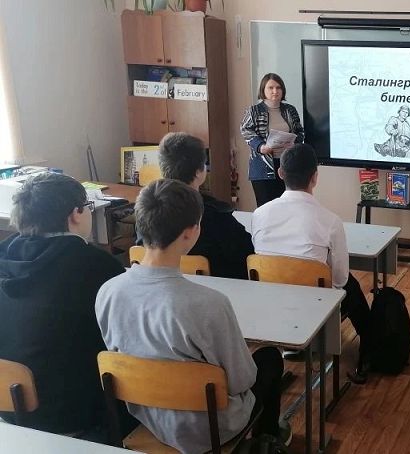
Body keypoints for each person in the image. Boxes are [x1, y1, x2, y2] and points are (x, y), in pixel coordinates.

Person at [96, 179, 288, 453]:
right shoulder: (210, 304)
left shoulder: (108, 291)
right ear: (190, 232)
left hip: (148, 416)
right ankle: (265, 441)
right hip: (209, 428)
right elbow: (243, 380)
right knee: (269, 359)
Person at [0, 172, 133, 440]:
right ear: (76, 214)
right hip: (76, 413)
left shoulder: (5, 255)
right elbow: (129, 334)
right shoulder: (96, 265)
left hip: (11, 409)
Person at [251, 143, 373, 384]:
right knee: (351, 285)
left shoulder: (259, 214)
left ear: (280, 173)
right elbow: (340, 279)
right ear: (315, 177)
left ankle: (291, 345)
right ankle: (369, 348)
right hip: (314, 309)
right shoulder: (330, 221)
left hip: (271, 307)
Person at [158, 132, 254, 279]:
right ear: (199, 172)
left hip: (163, 286)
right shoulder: (216, 216)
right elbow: (249, 255)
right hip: (219, 288)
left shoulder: (148, 214)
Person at [241, 73, 304, 207]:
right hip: (262, 168)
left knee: (286, 206)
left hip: (286, 165)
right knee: (266, 207)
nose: (275, 91)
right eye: (270, 88)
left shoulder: (290, 110)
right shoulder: (254, 111)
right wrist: (260, 146)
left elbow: (300, 131)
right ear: (263, 90)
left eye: (278, 87)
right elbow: (245, 130)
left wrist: (294, 143)